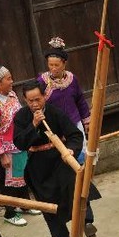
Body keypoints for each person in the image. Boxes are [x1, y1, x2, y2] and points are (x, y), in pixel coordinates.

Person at [13, 80, 101, 237]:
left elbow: (74, 135)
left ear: (44, 96)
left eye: (37, 99)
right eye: (30, 101)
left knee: (76, 186)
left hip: (60, 158)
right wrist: (34, 125)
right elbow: (20, 143)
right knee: (49, 205)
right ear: (24, 100)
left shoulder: (55, 112)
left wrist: (71, 149)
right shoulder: (21, 117)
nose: (35, 104)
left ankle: (87, 221)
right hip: (38, 165)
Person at [0, 60, 33, 227]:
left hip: (19, 143)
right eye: (8, 79)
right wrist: (2, 154)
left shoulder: (11, 95)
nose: (12, 81)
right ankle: (10, 212)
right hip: (6, 148)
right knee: (9, 183)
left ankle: (25, 205)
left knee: (23, 176)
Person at [37, 37, 91, 165]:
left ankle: (83, 177)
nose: (53, 68)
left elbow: (80, 100)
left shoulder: (72, 79)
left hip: (75, 122)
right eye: (51, 65)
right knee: (64, 156)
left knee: (81, 151)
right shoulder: (42, 82)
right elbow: (37, 103)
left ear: (64, 64)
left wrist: (86, 121)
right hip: (57, 127)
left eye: (57, 65)